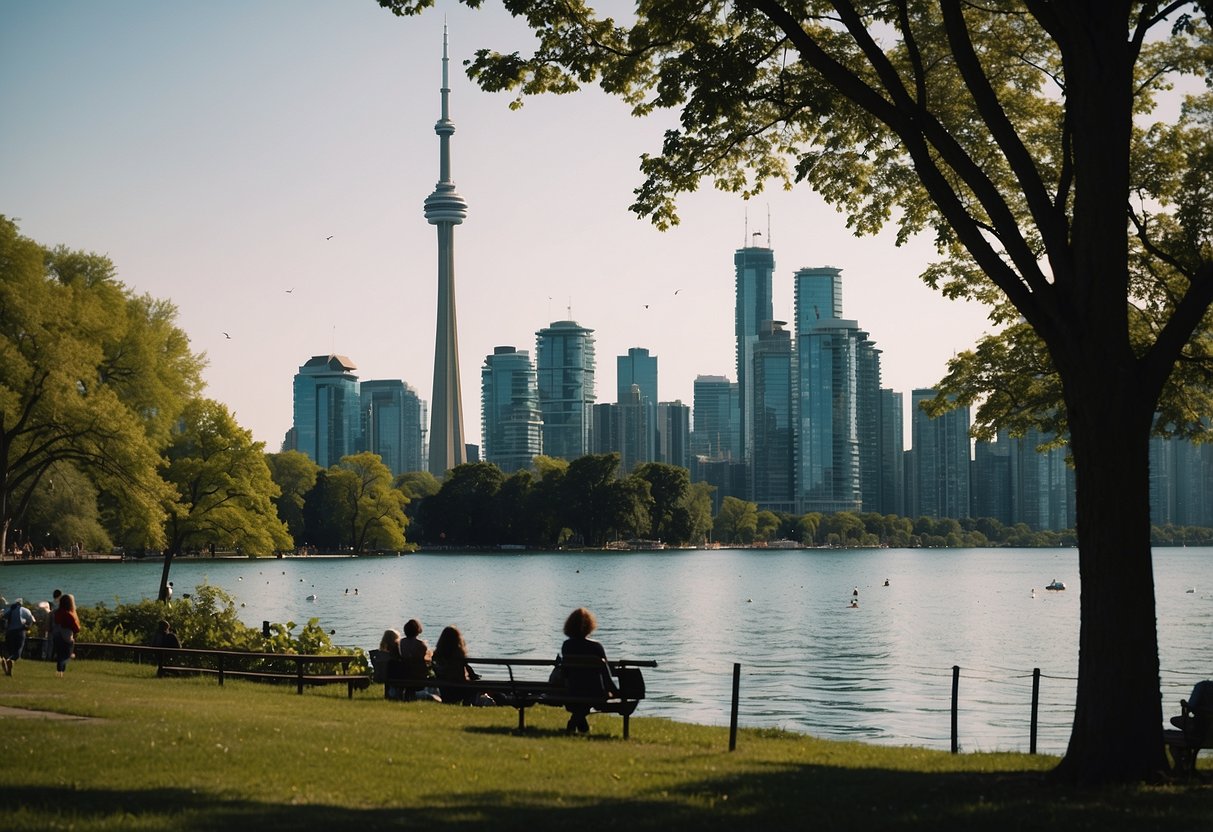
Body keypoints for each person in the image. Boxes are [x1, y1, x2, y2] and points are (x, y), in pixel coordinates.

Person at [560, 607, 618, 734]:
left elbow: (566, 671)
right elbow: (605, 671)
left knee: (580, 700)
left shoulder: (567, 645)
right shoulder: (596, 646)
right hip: (595, 691)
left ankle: (578, 721)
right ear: (590, 626)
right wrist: (613, 689)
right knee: (587, 696)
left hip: (573, 689)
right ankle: (575, 722)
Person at [433, 625, 488, 706]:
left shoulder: (437, 656)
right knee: (476, 687)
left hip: (444, 690)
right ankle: (469, 704)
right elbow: (461, 676)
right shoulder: (459, 656)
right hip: (459, 689)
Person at [397, 619, 432, 701]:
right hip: (418, 675)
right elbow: (423, 658)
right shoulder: (420, 644)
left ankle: (407, 697)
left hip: (405, 674)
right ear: (417, 630)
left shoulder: (402, 642)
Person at [2, 598, 36, 676]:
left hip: (10, 632)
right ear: (21, 604)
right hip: (20, 631)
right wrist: (27, 627)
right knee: (18, 650)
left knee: (11, 649)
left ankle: (7, 664)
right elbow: (32, 621)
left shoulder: (10, 609)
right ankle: (10, 660)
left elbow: (3, 617)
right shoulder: (25, 610)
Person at [51, 594, 81, 677]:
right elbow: (76, 629)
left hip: (56, 635)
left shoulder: (56, 612)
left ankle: (59, 671)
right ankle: (61, 670)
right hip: (66, 636)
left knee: (60, 654)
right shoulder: (69, 614)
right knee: (66, 656)